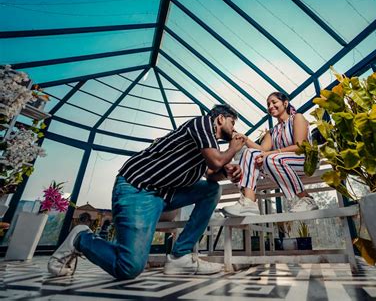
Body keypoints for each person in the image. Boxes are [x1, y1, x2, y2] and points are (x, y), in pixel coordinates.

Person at [48, 104, 245, 279]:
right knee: (129, 268)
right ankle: (81, 238)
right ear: (220, 118)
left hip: (163, 194)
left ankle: (180, 256)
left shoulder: (207, 146)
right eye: (232, 122)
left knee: (211, 190)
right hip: (137, 190)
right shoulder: (202, 124)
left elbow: (211, 173)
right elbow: (216, 161)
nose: (234, 128)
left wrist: (228, 172)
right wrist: (232, 150)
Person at [222, 92, 318, 217]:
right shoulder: (272, 132)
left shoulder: (297, 118)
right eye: (268, 104)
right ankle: (249, 201)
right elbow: (262, 150)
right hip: (278, 164)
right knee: (249, 152)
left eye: (274, 102)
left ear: (285, 103)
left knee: (271, 158)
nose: (270, 106)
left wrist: (270, 154)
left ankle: (306, 198)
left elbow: (299, 146)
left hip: (305, 162)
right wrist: (245, 139)